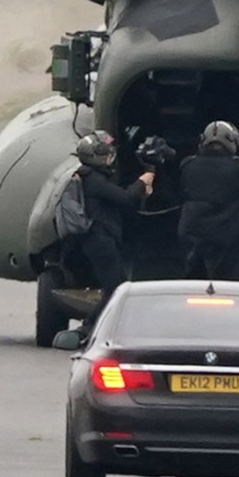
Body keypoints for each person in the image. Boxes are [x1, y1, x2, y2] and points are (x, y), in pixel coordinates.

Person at [75, 130, 154, 334]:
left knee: (115, 287)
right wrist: (143, 180)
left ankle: (93, 326)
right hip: (100, 241)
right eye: (105, 153)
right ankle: (90, 328)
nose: (110, 157)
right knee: (117, 289)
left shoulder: (89, 177)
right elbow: (126, 199)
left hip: (99, 240)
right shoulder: (94, 180)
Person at [178, 120, 239, 281]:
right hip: (232, 231)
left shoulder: (187, 165)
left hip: (193, 228)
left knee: (194, 276)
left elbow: (180, 192)